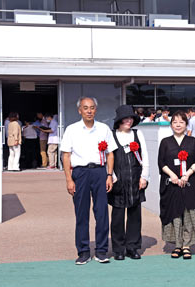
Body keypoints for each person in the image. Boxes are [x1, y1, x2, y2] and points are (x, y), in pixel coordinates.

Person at [60, 97, 117, 265]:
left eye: (92, 108)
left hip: (100, 172)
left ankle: (101, 250)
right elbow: (66, 155)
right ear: (80, 111)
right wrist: (69, 179)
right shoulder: (72, 130)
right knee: (81, 213)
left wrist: (109, 175)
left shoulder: (104, 129)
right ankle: (83, 251)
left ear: (96, 110)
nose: (89, 111)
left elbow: (110, 154)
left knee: (101, 213)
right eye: (85, 108)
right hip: (80, 173)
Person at [158, 111, 195, 260]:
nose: (178, 125)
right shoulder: (165, 142)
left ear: (186, 125)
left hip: (190, 184)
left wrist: (187, 175)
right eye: (175, 122)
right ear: (171, 125)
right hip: (172, 185)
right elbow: (161, 163)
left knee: (189, 214)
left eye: (181, 122)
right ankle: (177, 245)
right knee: (175, 215)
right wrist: (173, 176)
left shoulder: (192, 142)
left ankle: (186, 246)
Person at [108, 105, 149, 261]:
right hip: (118, 181)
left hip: (136, 180)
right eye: (126, 118)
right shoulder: (112, 135)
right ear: (119, 120)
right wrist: (112, 176)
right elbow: (108, 157)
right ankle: (118, 249)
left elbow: (145, 156)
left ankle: (132, 247)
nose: (129, 121)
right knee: (117, 216)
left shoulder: (138, 134)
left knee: (135, 215)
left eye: (131, 118)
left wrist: (144, 176)